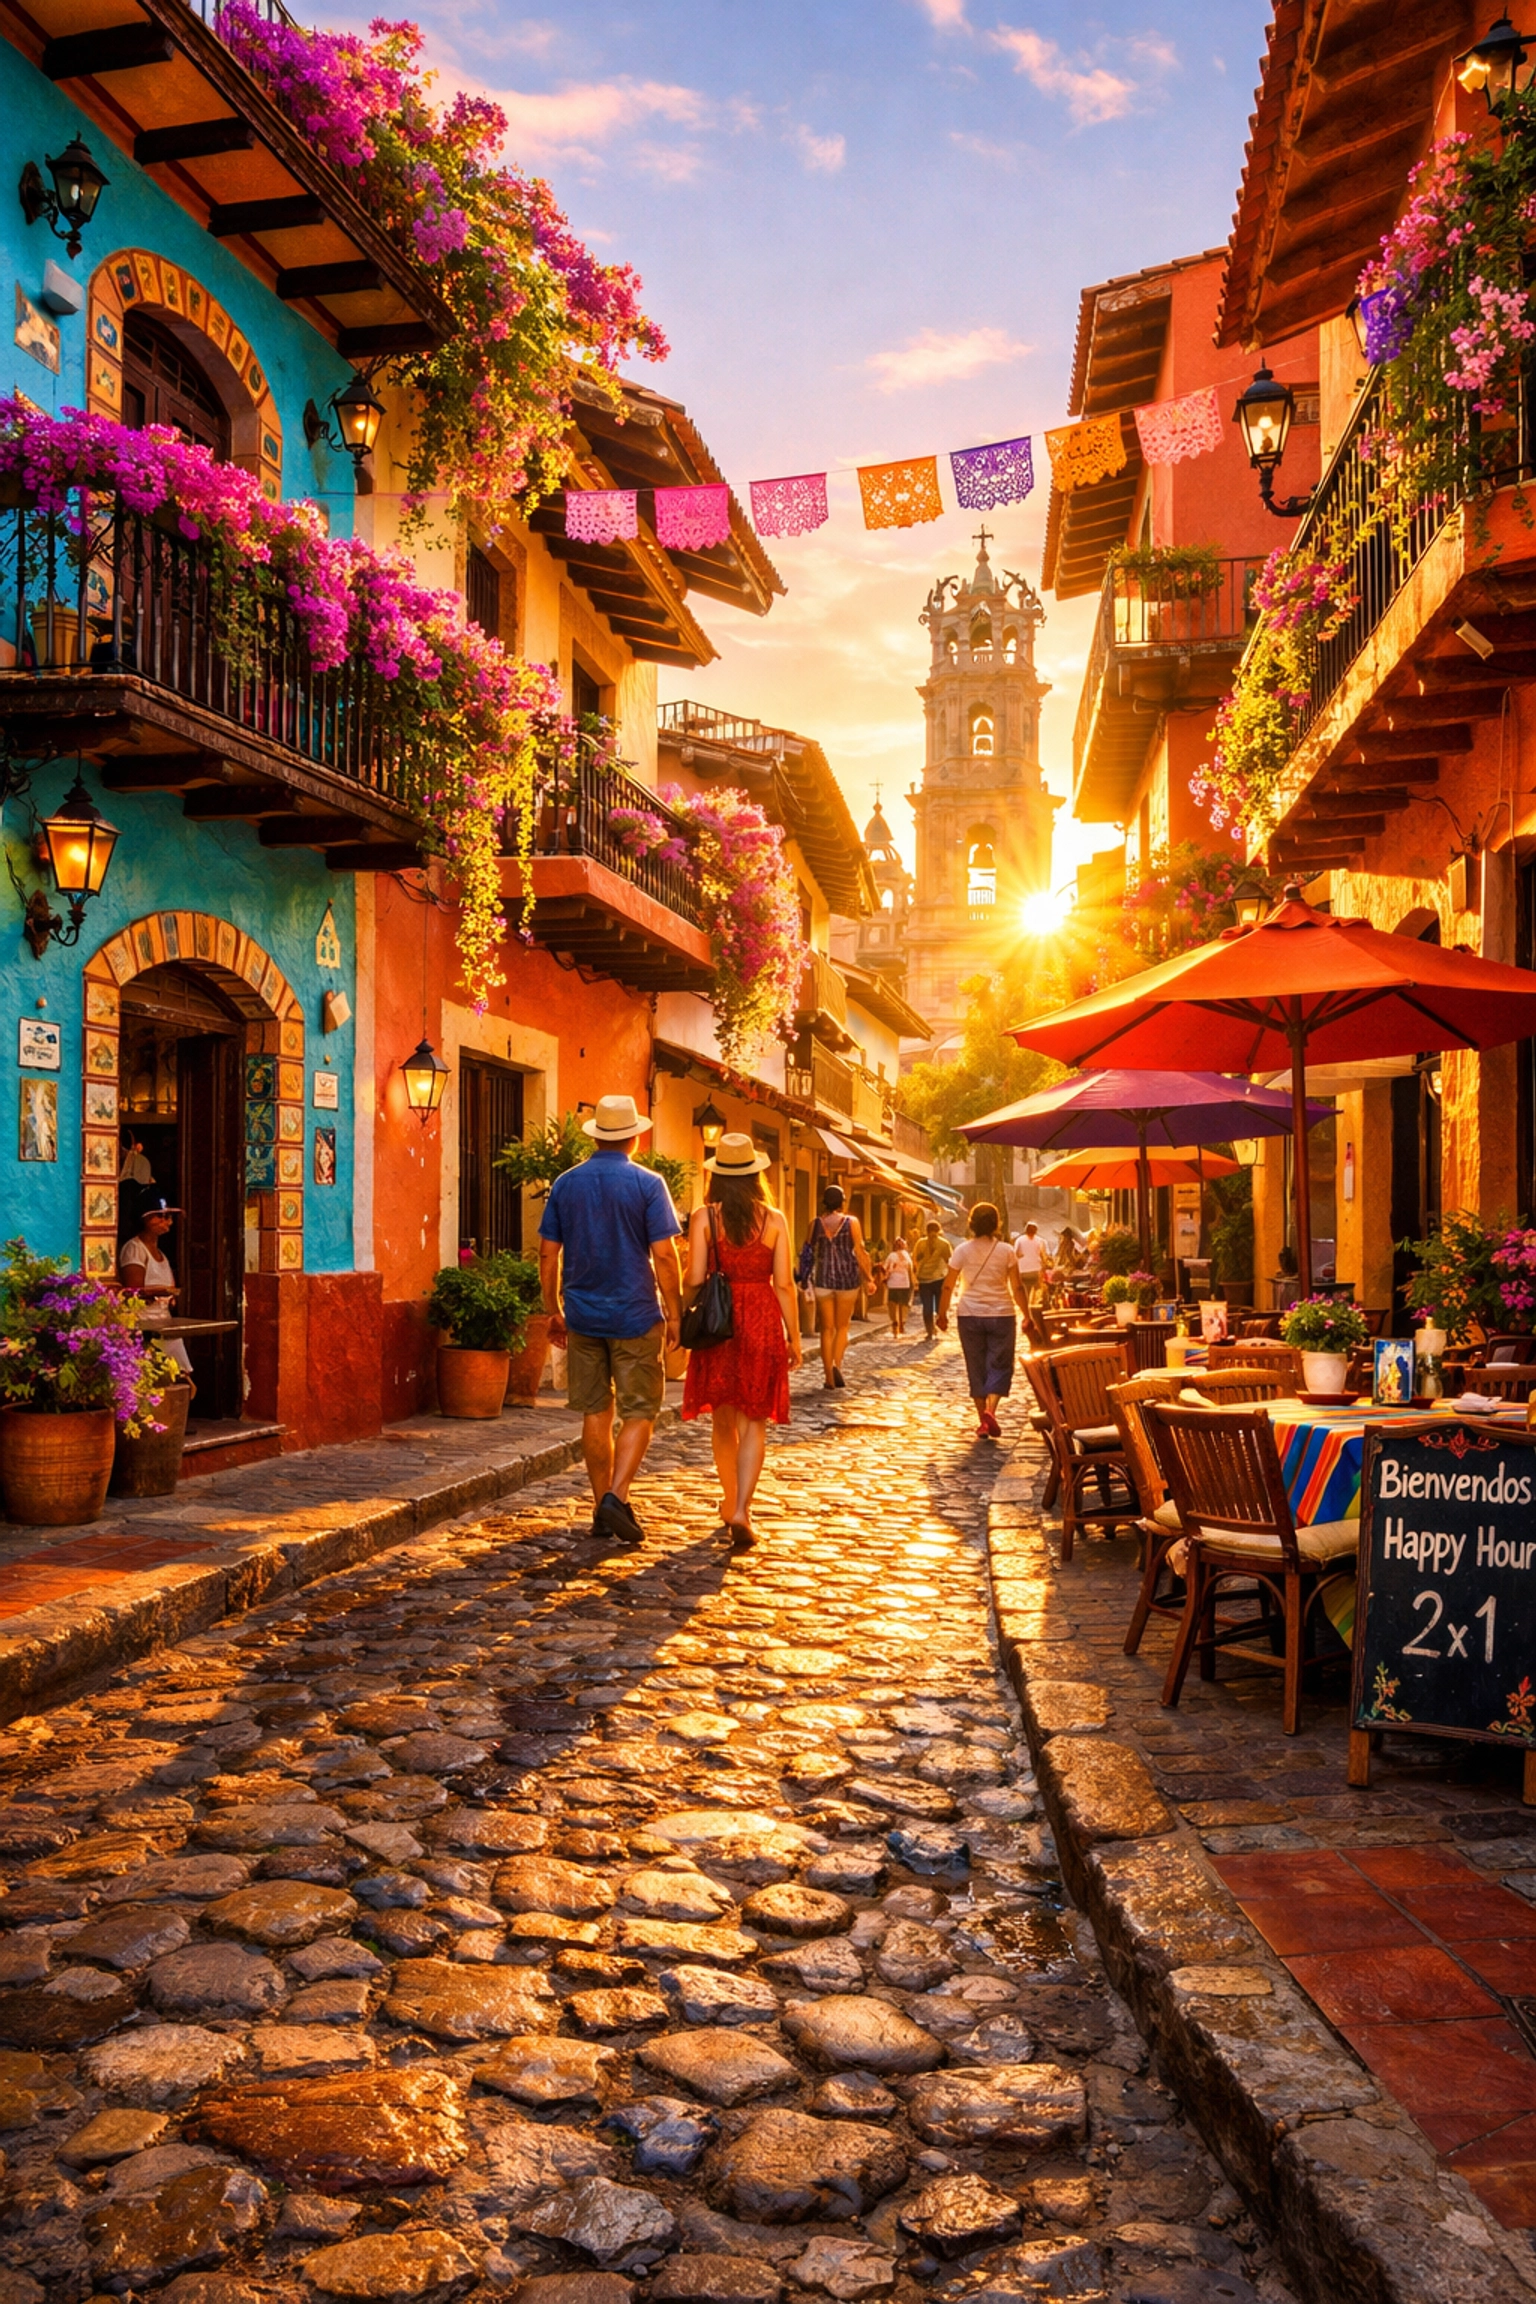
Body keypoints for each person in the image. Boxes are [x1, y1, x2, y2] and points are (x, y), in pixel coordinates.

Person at [538, 1093, 682, 1547]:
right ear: (635, 1139)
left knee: (595, 1411)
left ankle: (602, 1505)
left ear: (597, 1137)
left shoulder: (566, 1183)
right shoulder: (648, 1184)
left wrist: (551, 1310)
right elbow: (664, 1255)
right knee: (640, 1410)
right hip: (637, 1315)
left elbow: (547, 1253)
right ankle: (616, 1497)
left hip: (582, 1316)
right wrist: (674, 1314)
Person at [681, 1133, 803, 1550]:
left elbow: (695, 1278)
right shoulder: (775, 1220)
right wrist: (794, 1336)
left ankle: (730, 1500)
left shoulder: (703, 1217)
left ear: (716, 1176)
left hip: (719, 1322)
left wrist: (684, 1317)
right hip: (762, 1320)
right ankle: (742, 1510)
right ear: (756, 1176)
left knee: (722, 1420)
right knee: (754, 1422)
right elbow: (784, 1284)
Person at [938, 1200, 1032, 1440]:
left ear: (971, 1224)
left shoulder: (961, 1250)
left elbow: (948, 1285)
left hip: (969, 1315)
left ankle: (983, 1421)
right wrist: (1027, 1314)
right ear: (996, 1224)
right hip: (1001, 1314)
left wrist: (941, 1314)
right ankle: (991, 1410)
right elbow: (1018, 1287)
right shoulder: (1006, 1251)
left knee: (976, 1366)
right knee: (1000, 1364)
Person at [795, 1184, 872, 1388]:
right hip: (847, 1280)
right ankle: (837, 1364)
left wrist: (803, 1279)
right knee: (842, 1326)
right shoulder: (851, 1222)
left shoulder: (815, 1224)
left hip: (823, 1281)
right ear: (842, 1202)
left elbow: (806, 1253)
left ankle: (828, 1376)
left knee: (826, 1329)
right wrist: (869, 1278)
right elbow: (860, 1251)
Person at [118, 1196, 193, 1376]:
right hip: (144, 1325)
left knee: (181, 1373)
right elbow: (132, 1292)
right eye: (160, 1216)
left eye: (168, 1217)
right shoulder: (134, 1249)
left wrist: (171, 1296)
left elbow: (171, 1288)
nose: (166, 1221)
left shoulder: (162, 1255)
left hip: (164, 1324)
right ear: (144, 1219)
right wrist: (158, 1292)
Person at [914, 1220, 952, 1339]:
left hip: (929, 1279)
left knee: (928, 1307)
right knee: (935, 1307)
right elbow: (949, 1262)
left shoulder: (921, 1243)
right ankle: (932, 1329)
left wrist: (917, 1272)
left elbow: (915, 1259)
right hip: (936, 1279)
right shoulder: (943, 1244)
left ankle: (930, 1330)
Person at [884, 1237, 915, 1337]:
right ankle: (902, 1323)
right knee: (903, 1305)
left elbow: (885, 1268)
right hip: (905, 1283)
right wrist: (912, 1283)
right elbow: (910, 1270)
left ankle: (894, 1322)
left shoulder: (891, 1255)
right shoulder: (907, 1256)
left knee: (892, 1304)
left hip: (893, 1284)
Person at [1014, 1220, 1046, 1309]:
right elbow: (1043, 1255)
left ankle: (1027, 1309)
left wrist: (1021, 1256)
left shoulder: (1019, 1240)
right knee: (1037, 1292)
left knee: (1026, 1292)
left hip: (1023, 1270)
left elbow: (1015, 1254)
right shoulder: (1040, 1240)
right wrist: (1044, 1268)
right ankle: (1036, 1309)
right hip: (1036, 1270)